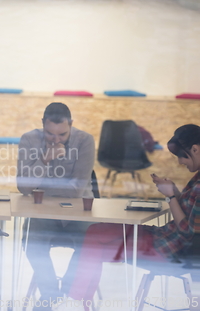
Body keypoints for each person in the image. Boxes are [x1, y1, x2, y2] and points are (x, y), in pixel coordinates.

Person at [57, 124, 200, 311]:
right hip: (165, 239)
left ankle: (75, 302)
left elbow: (190, 232)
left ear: (195, 149)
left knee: (93, 241)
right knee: (95, 235)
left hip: (170, 250)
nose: (181, 162)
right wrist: (174, 191)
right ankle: (79, 303)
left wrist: (171, 197)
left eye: (183, 156)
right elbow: (191, 215)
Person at [16, 102, 95, 310]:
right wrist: (43, 160)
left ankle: (67, 295)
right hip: (43, 212)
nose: (56, 140)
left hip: (78, 211)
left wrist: (41, 187)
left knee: (90, 246)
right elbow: (23, 188)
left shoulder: (85, 141)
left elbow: (78, 190)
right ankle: (51, 295)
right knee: (32, 243)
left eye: (62, 135)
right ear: (43, 124)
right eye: (50, 134)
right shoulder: (29, 140)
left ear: (71, 124)